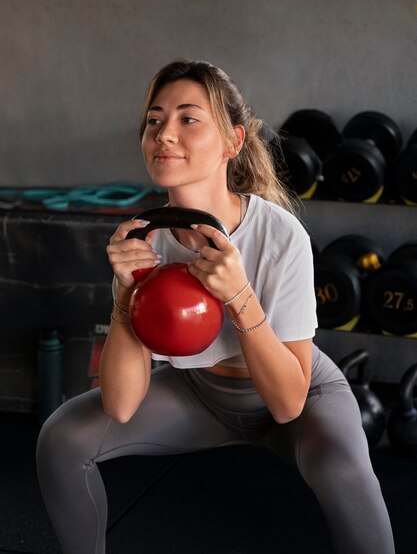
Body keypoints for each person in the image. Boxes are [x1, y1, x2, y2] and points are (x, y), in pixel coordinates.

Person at [36, 59, 395, 554]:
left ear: (234, 141)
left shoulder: (278, 233)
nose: (164, 134)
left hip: (298, 393)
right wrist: (124, 298)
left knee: (343, 470)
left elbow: (288, 404)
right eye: (155, 120)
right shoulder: (142, 241)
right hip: (197, 394)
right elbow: (120, 405)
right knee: (62, 439)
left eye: (188, 118)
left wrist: (239, 296)